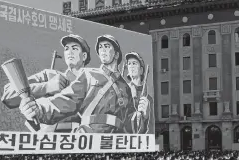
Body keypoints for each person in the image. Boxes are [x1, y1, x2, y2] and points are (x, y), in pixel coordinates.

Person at [18, 34, 149, 134]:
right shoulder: (89, 74)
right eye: (100, 47)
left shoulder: (125, 87)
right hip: (91, 134)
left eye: (107, 46)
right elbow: (67, 99)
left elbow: (130, 124)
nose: (102, 50)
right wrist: (39, 110)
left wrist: (142, 114)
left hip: (115, 137)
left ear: (116, 54)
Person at [1, 34, 91, 132]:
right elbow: (8, 95)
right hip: (49, 139)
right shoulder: (50, 76)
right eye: (66, 49)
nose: (69, 52)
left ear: (84, 56)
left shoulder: (93, 84)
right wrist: (46, 87)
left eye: (74, 48)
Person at [124, 52, 154, 134]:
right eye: (129, 64)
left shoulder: (148, 98)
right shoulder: (123, 91)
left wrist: (146, 116)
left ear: (141, 70)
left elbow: (150, 126)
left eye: (134, 63)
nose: (131, 66)